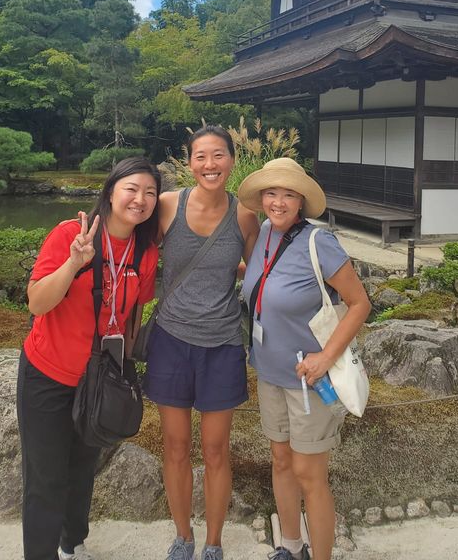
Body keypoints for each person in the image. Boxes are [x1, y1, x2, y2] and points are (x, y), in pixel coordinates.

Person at [17, 157, 162, 560]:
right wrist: (73, 262)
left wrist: (128, 369)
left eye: (150, 192)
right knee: (45, 477)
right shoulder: (71, 233)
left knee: (83, 469)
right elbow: (37, 301)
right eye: (131, 188)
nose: (140, 199)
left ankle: (72, 544)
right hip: (47, 374)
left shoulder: (145, 251)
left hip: (99, 377)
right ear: (111, 191)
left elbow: (133, 313)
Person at [237, 158, 371, 560]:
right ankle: (290, 547)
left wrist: (323, 357)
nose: (278, 202)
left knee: (310, 475)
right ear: (262, 198)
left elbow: (359, 303)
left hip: (308, 379)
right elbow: (262, 277)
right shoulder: (262, 233)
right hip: (268, 372)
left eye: (288, 194)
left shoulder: (319, 242)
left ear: (301, 201)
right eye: (271, 193)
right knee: (280, 461)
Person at [142, 124, 259, 560]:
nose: (209, 165)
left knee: (215, 449)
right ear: (188, 163)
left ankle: (213, 541)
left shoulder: (246, 215)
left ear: (231, 159)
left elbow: (262, 269)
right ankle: (182, 536)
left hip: (224, 342)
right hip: (171, 339)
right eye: (200, 157)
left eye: (218, 156)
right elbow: (137, 254)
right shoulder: (168, 205)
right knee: (174, 446)